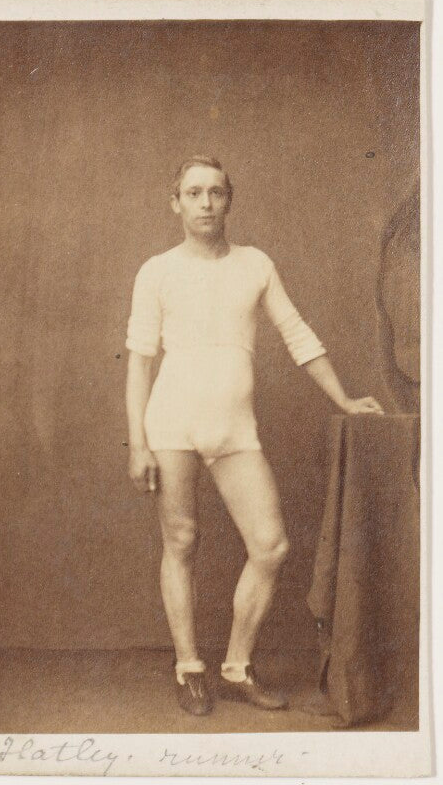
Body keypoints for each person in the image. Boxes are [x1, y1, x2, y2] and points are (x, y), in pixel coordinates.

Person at [125, 155, 384, 716]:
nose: (205, 203)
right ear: (176, 203)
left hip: (234, 430)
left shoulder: (255, 264)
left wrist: (343, 399)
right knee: (181, 541)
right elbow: (139, 363)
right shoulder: (157, 271)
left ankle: (237, 667)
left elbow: (298, 335)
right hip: (171, 425)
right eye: (193, 193)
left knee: (270, 545)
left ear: (229, 200)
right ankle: (189, 668)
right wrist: (139, 444)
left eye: (215, 192)